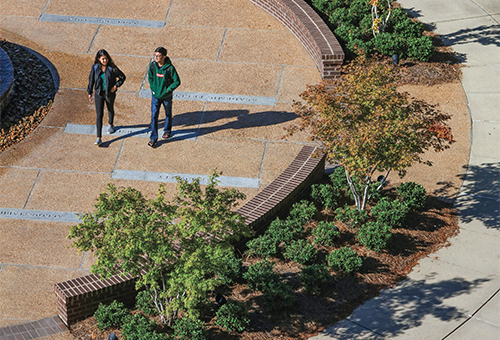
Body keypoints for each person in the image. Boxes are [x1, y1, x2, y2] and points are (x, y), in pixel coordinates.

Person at [87, 49, 126, 146]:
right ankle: (99, 137)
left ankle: (110, 123)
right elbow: (91, 80)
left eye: (106, 58)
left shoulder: (112, 68)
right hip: (99, 93)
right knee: (99, 115)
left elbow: (122, 77)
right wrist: (89, 91)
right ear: (99, 59)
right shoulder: (95, 68)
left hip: (109, 93)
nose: (105, 61)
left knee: (110, 109)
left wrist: (116, 86)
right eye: (103, 59)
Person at [148, 47, 181, 148]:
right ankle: (153, 138)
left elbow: (177, 81)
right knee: (154, 116)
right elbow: (150, 78)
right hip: (155, 96)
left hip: (166, 96)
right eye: (155, 55)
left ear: (164, 56)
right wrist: (154, 89)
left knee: (168, 114)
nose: (156, 57)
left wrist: (168, 90)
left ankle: (167, 131)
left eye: (158, 56)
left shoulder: (170, 68)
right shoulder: (153, 65)